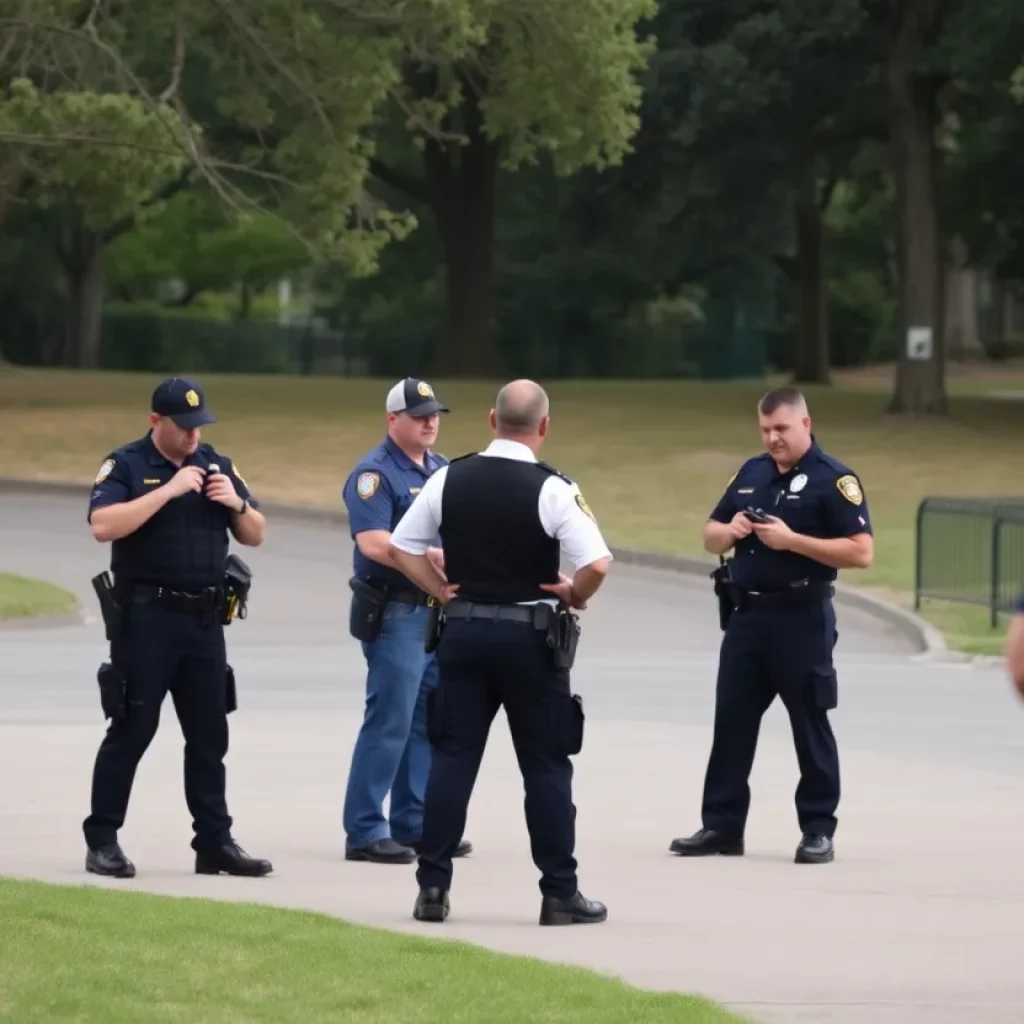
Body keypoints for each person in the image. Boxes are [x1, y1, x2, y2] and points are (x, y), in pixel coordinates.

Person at [388, 379, 613, 926]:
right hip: (531, 641)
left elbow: (401, 547)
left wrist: (440, 591)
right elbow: (597, 563)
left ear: (492, 420)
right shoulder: (553, 488)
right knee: (545, 766)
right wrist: (574, 594)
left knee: (452, 761)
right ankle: (559, 892)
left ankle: (433, 889)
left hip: (462, 635)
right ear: (543, 427)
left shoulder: (448, 477)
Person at [670, 385, 873, 865]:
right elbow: (709, 534)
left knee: (809, 723)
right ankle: (721, 825)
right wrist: (732, 530)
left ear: (805, 423)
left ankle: (817, 829)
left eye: (781, 428)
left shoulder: (834, 479)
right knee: (732, 722)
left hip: (801, 619)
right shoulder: (751, 472)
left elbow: (861, 551)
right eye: (765, 430)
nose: (772, 439)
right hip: (747, 618)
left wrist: (793, 540)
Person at [83, 376, 272, 879]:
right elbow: (103, 524)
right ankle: (102, 839)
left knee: (210, 735)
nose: (193, 437)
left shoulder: (216, 465)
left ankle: (214, 841)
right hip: (146, 620)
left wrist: (236, 502)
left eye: (198, 427)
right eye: (183, 428)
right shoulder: (126, 464)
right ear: (155, 422)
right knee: (132, 729)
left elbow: (255, 534)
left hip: (205, 621)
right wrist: (167, 492)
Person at [340, 378, 472, 864]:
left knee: (426, 722)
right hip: (396, 607)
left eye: (434, 413)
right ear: (392, 420)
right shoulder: (374, 474)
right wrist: (426, 557)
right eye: (418, 415)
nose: (430, 421)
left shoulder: (440, 469)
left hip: (435, 610)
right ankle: (364, 829)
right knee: (390, 719)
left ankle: (413, 822)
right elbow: (373, 542)